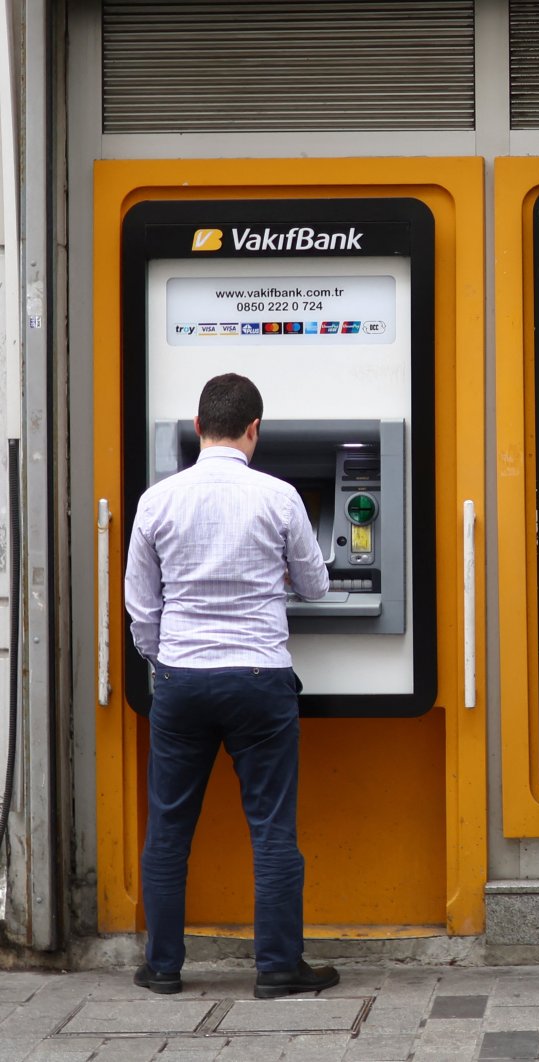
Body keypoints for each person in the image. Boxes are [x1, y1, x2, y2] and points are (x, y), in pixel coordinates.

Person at [124, 373, 338, 997]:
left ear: (197, 429)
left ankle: (162, 968)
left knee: (168, 830)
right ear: (254, 430)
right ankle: (277, 968)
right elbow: (318, 585)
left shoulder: (158, 500)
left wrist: (163, 665)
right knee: (272, 829)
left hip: (183, 680)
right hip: (258, 678)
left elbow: (142, 608)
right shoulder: (279, 496)